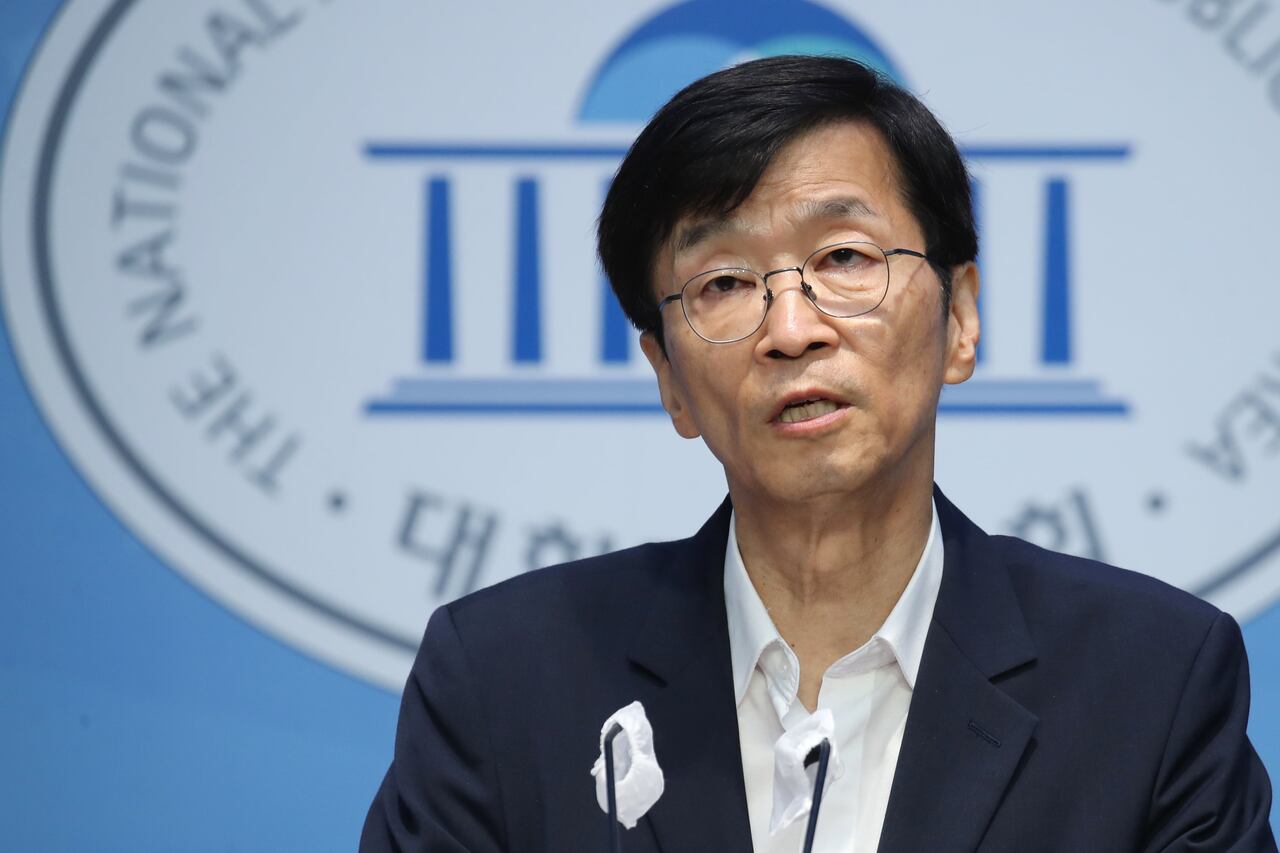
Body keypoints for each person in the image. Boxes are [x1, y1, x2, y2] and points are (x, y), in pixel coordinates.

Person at [361, 55, 1276, 852]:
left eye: (844, 257)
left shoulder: (1150, 684)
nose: (791, 329)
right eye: (724, 281)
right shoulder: (504, 681)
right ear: (669, 378)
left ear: (960, 317)